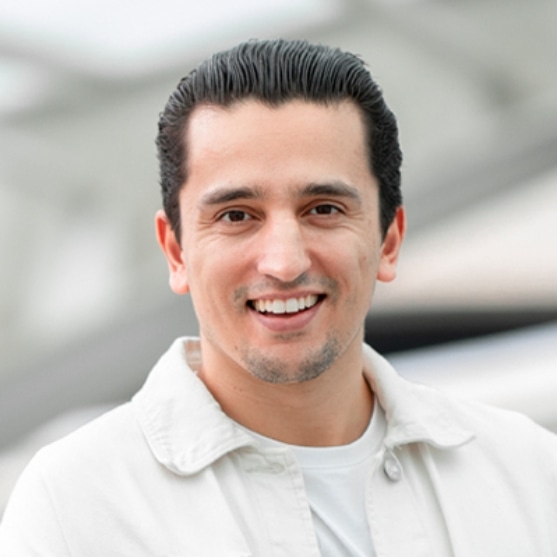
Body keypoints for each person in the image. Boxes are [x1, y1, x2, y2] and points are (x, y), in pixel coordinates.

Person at [1, 38, 557, 557]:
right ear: (175, 252)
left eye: (324, 209)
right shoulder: (76, 508)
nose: (285, 262)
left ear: (388, 240)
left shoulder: (530, 473)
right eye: (236, 216)